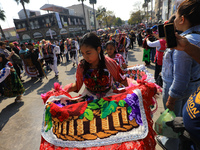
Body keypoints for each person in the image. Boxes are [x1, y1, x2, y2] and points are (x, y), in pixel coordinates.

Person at [40, 33, 159, 150]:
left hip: (109, 99)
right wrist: (60, 90)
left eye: (88, 53)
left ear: (98, 49)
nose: (85, 57)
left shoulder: (109, 63)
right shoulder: (82, 66)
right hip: (89, 99)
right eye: (82, 53)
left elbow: (123, 80)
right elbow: (77, 86)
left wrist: (139, 87)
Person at [158, 0, 200, 149]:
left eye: (175, 16)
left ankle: (171, 144)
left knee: (173, 122)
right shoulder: (194, 39)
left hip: (177, 90)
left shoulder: (186, 45)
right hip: (193, 89)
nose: (174, 20)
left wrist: (171, 98)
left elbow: (180, 79)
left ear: (182, 19)